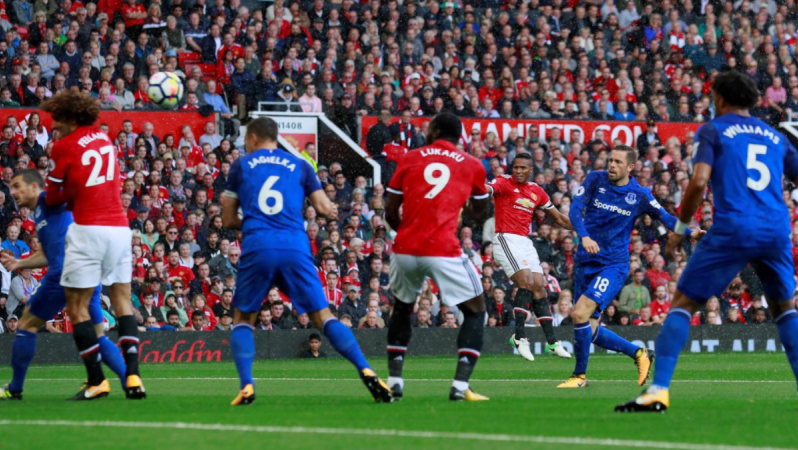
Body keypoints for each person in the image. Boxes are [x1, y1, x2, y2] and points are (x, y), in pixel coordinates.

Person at [618, 71, 798, 412]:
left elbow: (699, 182)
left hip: (734, 227)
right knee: (785, 311)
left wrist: (679, 228)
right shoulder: (775, 137)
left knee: (683, 304)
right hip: (776, 230)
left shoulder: (713, 130)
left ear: (719, 98)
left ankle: (658, 390)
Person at [221, 117, 391, 405]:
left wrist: (254, 222)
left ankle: (247, 385)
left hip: (258, 246)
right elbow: (324, 208)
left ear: (253, 139)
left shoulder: (241, 165)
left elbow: (227, 219)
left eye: (246, 140)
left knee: (243, 319)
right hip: (295, 247)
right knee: (324, 317)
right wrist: (329, 210)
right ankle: (366, 369)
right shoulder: (300, 165)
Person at [560, 144, 705, 389]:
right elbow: (575, 209)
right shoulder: (595, 179)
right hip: (585, 261)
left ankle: (579, 377)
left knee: (579, 313)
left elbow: (666, 218)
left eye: (618, 162)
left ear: (630, 167)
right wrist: (583, 236)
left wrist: (690, 233)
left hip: (613, 265)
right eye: (610, 161)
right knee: (588, 327)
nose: (612, 165)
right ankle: (639, 354)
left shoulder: (640, 194)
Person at [38, 90, 144, 400]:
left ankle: (97, 380)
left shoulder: (64, 146)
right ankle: (134, 377)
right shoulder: (105, 141)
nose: (54, 125)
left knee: (76, 307)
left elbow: (54, 198)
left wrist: (68, 194)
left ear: (71, 118)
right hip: (119, 228)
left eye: (58, 119)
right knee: (122, 302)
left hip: (88, 228)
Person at [385, 112, 491, 402]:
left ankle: (395, 382)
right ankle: (459, 386)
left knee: (402, 307)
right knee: (476, 310)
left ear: (432, 131)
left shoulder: (409, 158)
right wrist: (465, 207)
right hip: (443, 248)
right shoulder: (472, 164)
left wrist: (408, 234)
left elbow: (390, 211)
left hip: (405, 248)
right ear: (458, 136)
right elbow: (481, 212)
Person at [0, 170, 127, 401]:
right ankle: (131, 382)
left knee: (26, 324)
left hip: (65, 274)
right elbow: (46, 254)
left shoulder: (48, 199)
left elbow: (70, 194)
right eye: (11, 187)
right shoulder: (40, 215)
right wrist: (19, 263)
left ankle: (15, 388)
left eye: (17, 186)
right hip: (86, 272)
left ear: (34, 186)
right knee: (97, 334)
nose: (13, 192)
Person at [488, 153, 573, 361]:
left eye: (523, 168)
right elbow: (487, 189)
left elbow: (559, 218)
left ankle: (552, 343)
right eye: (516, 167)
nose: (518, 171)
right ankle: (519, 337)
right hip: (506, 238)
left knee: (539, 287)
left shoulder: (537, 191)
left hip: (525, 242)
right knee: (525, 281)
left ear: (530, 170)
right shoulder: (503, 182)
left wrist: (584, 229)